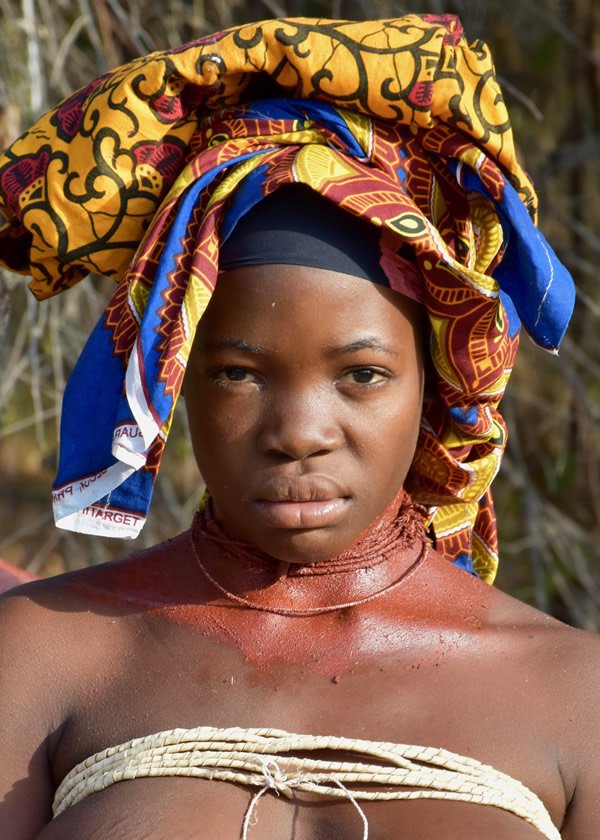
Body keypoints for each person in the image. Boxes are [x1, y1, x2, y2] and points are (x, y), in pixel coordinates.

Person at [0, 14, 598, 840]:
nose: (298, 432)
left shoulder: (575, 695)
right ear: (175, 382)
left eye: (361, 375)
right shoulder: (42, 656)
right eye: (239, 373)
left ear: (437, 381)